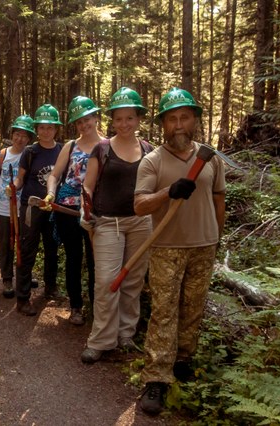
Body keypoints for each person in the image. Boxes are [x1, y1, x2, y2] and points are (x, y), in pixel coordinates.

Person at [134, 87, 226, 415]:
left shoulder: (209, 158)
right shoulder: (153, 160)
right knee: (164, 311)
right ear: (163, 124)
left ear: (196, 120)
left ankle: (184, 361)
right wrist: (167, 192)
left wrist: (217, 233)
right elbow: (140, 204)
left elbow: (218, 198)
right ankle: (156, 377)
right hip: (166, 247)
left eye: (184, 117)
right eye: (171, 119)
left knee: (194, 308)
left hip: (205, 245)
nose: (178, 125)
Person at [79, 87, 154, 363]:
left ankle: (126, 334)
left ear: (138, 119)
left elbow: (155, 186)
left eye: (130, 118)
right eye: (119, 119)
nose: (124, 124)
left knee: (133, 280)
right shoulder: (102, 148)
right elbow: (88, 185)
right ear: (111, 120)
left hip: (140, 222)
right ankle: (101, 339)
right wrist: (84, 212)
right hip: (108, 223)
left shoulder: (149, 150)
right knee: (107, 281)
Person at [44, 96, 100, 325]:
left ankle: (98, 309)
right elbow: (55, 175)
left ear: (96, 118)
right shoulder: (71, 146)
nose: (84, 125)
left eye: (87, 119)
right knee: (74, 258)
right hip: (67, 209)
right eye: (79, 122)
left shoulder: (108, 145)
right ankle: (76, 306)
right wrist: (50, 192)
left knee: (97, 260)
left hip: (95, 210)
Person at [13, 104, 62, 315]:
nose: (46, 131)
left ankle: (50, 288)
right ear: (37, 129)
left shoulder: (62, 151)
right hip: (31, 208)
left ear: (56, 129)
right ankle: (22, 298)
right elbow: (20, 178)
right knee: (27, 249)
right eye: (42, 127)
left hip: (53, 208)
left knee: (52, 250)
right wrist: (12, 187)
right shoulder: (30, 152)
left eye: (50, 127)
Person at [0, 115, 34, 298]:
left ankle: (24, 276)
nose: (19, 138)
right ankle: (7, 278)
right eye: (17, 134)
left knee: (25, 243)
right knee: (6, 244)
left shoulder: (30, 155)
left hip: (24, 207)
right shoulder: (2, 155)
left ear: (29, 138)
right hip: (3, 208)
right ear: (12, 135)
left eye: (24, 135)